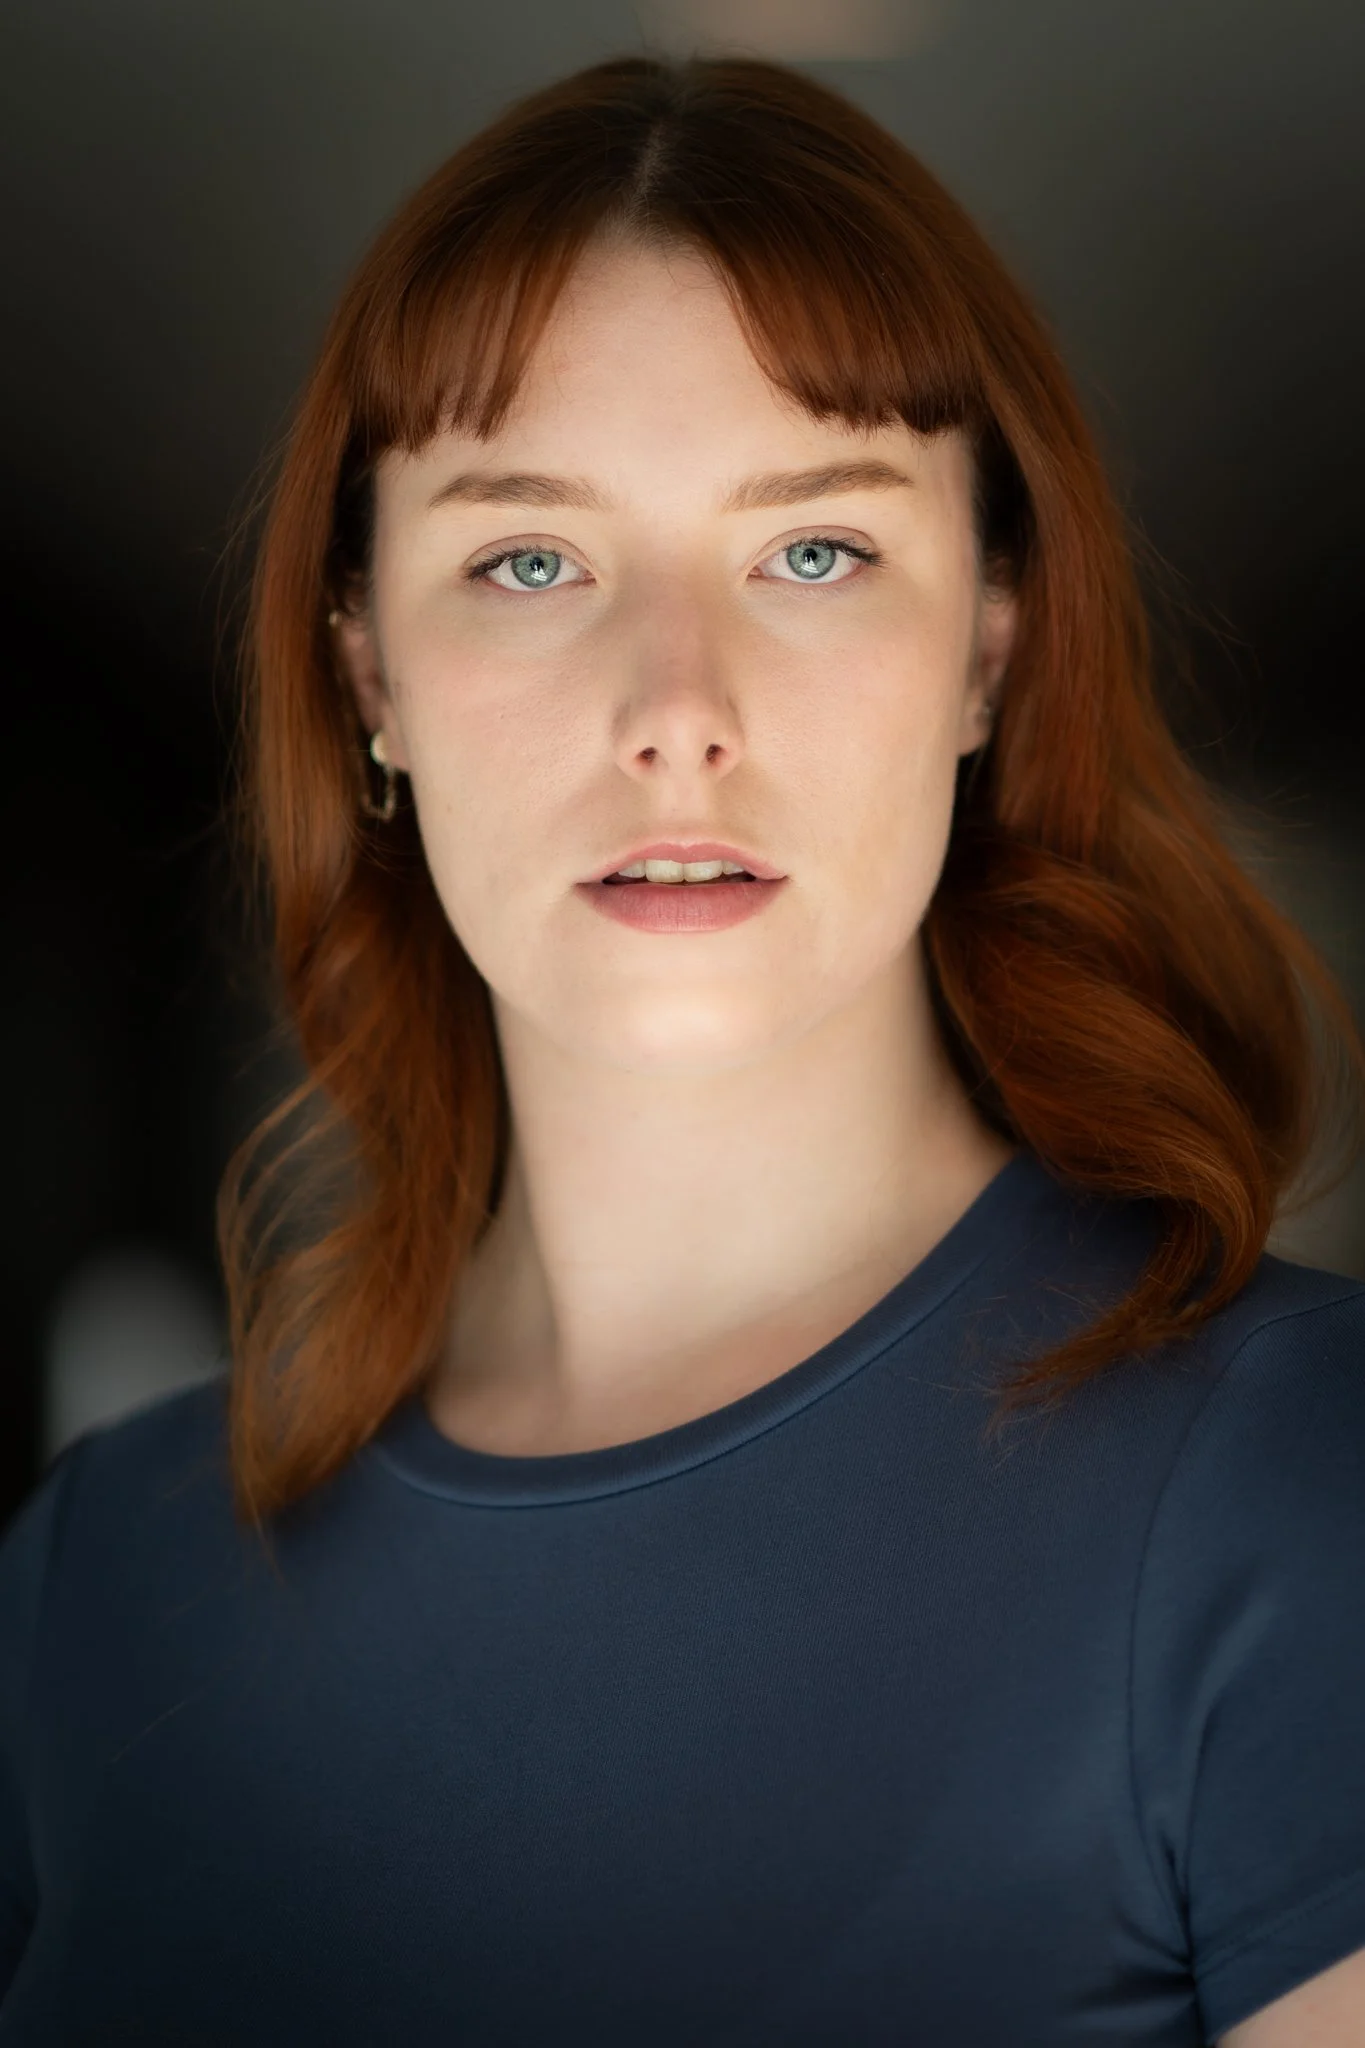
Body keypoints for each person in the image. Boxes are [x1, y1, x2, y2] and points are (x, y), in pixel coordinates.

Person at [1, 51, 1362, 2047]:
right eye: (530, 559)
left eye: (812, 549)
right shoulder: (88, 1590)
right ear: (368, 671)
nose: (676, 709)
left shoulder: (1302, 1488)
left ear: (986, 651)